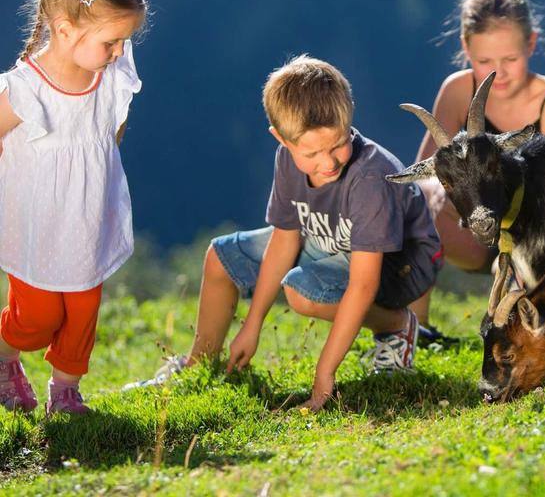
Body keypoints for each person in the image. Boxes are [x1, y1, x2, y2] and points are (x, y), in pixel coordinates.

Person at [130, 56, 442, 412]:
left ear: (349, 117)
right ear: (282, 139)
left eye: (337, 144)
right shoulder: (286, 161)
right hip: (331, 237)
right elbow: (284, 239)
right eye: (312, 153)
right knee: (221, 258)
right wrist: (253, 324)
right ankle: (199, 364)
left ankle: (397, 326)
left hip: (399, 263)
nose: (329, 163)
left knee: (302, 292)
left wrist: (324, 377)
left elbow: (364, 283)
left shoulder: (370, 178)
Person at [0, 0, 147, 414]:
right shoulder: (26, 90)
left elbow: (104, 132)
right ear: (65, 31)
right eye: (112, 41)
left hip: (85, 218)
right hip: (36, 225)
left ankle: (65, 390)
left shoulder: (108, 75)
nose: (120, 51)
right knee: (39, 318)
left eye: (125, 40)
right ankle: (5, 357)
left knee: (83, 312)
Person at [411, 0, 545, 337]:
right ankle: (414, 330)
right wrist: (442, 190)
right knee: (415, 202)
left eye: (510, 60)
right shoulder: (459, 89)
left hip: (536, 239)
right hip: (473, 233)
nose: (498, 73)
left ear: (531, 44)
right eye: (484, 62)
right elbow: (426, 165)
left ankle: (534, 332)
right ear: (465, 47)